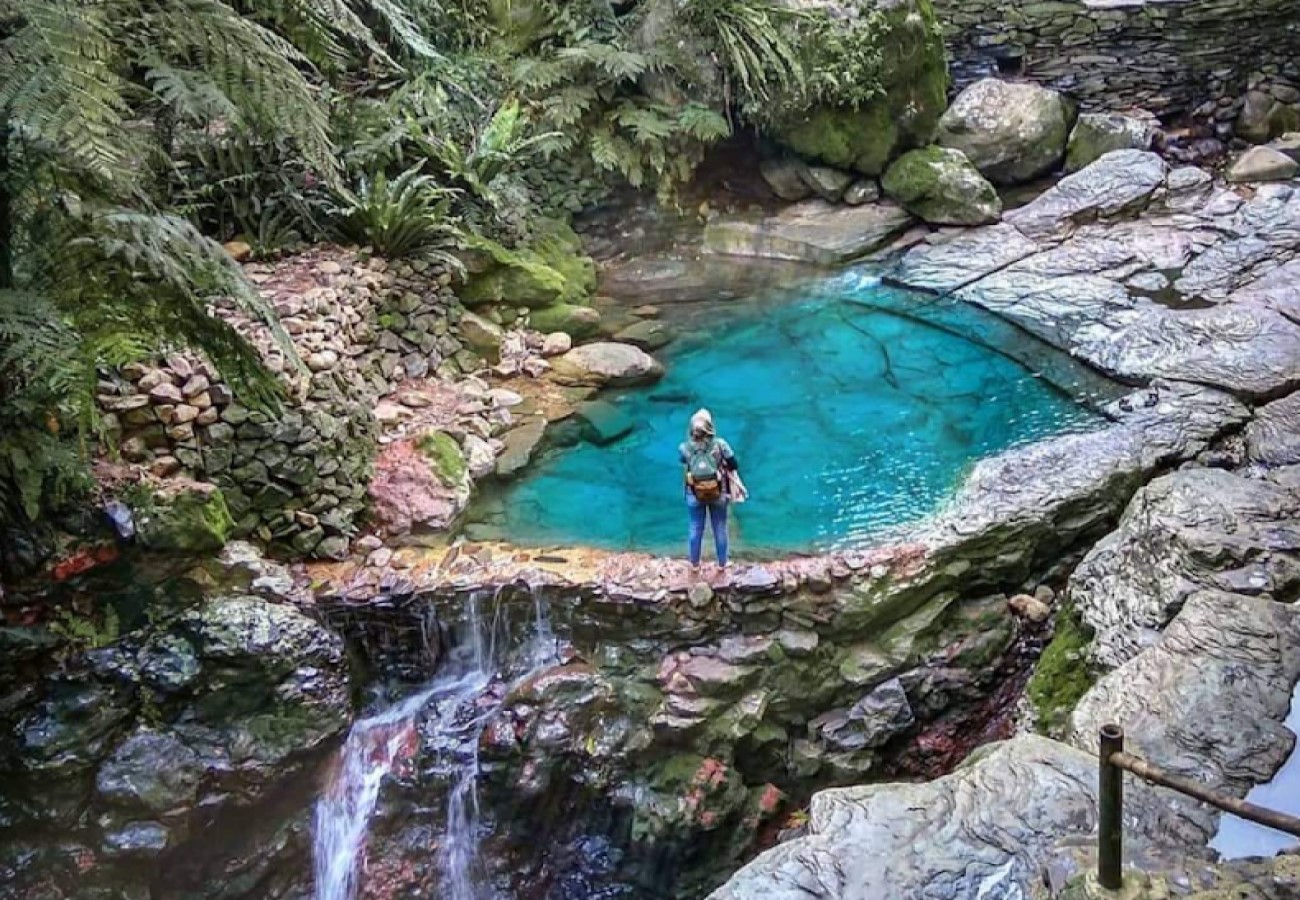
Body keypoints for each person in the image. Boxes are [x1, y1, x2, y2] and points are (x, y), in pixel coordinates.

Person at [680, 408, 739, 570]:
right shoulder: (720, 444)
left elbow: (683, 462)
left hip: (694, 492)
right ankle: (722, 564)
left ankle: (695, 564)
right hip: (718, 491)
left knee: (695, 526)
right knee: (719, 526)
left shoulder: (684, 447)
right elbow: (734, 464)